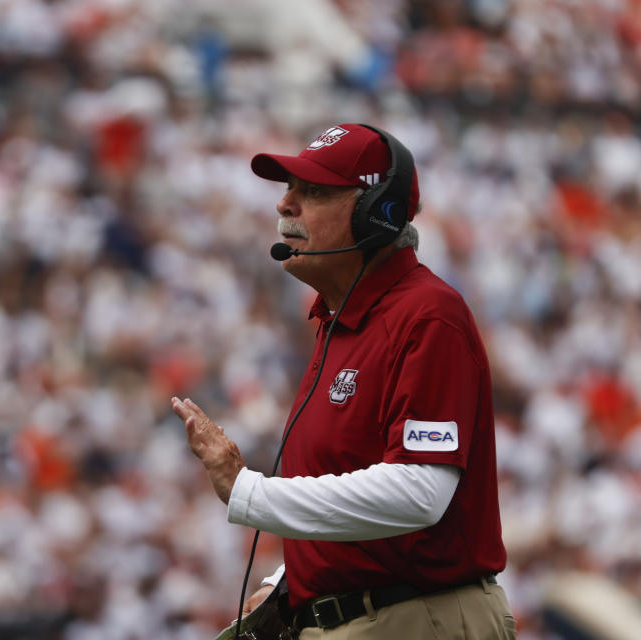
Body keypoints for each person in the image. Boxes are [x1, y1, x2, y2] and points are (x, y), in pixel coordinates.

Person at [172, 123, 515, 639]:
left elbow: (420, 491)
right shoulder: (338, 319)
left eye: (313, 192)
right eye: (290, 189)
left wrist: (250, 493)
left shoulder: (427, 314)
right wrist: (290, 579)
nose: (285, 205)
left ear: (378, 213)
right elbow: (354, 482)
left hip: (418, 620)